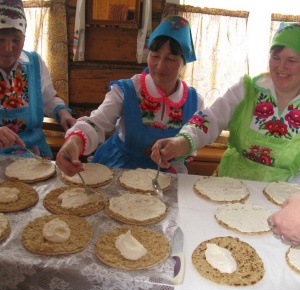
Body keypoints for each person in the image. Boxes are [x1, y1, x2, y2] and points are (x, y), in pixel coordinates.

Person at [151, 21, 300, 183]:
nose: (281, 67)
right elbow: (212, 118)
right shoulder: (248, 89)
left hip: (284, 195)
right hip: (230, 185)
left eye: (292, 60)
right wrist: (182, 141)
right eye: (276, 58)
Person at [56, 15, 204, 176]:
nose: (160, 66)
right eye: (155, 56)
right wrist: (74, 143)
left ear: (184, 62)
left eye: (170, 58)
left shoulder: (194, 103)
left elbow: (192, 143)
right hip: (120, 167)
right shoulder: (127, 90)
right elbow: (97, 122)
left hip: (164, 175)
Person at [0, 0, 76, 159]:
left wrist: (63, 114)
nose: (8, 48)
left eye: (16, 39)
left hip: (34, 153)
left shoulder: (33, 63)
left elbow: (47, 97)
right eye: (0, 40)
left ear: (24, 37)